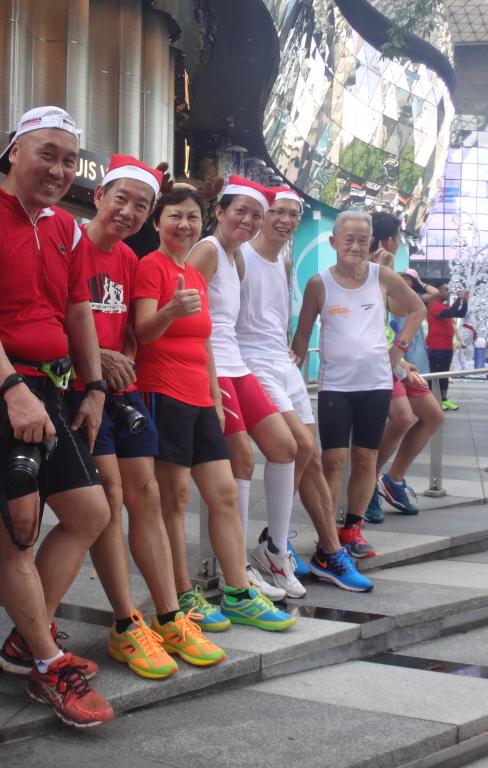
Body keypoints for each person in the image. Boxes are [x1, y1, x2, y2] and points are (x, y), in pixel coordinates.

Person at [0, 106, 115, 729]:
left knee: (90, 513)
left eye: (69, 159)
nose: (60, 169)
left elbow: (78, 313)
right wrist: (12, 388)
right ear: (13, 151)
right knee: (19, 525)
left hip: (47, 385)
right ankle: (46, 664)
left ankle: (25, 637)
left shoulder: (67, 228)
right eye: (47, 153)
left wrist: (94, 388)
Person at [66, 156, 225, 681]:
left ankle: (170, 615)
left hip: (124, 391)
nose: (129, 212)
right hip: (79, 392)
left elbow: (132, 335)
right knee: (110, 499)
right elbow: (46, 316)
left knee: (149, 497)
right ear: (98, 197)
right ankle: (125, 621)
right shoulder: (67, 245)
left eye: (140, 204)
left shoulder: (130, 263)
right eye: (122, 200)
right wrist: (89, 360)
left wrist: (119, 356)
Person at [132, 182, 296, 634]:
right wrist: (169, 310)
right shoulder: (151, 267)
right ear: (158, 223)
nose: (183, 225)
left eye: (190, 218)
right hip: (161, 392)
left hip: (201, 397)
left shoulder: (195, 272)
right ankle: (184, 594)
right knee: (175, 498)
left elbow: (206, 340)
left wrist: (214, 399)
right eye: (174, 217)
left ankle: (239, 590)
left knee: (223, 492)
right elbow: (143, 333)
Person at [237, 189, 373, 592]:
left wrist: (291, 354)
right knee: (294, 445)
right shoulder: (238, 254)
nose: (285, 220)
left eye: (293, 214)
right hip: (250, 364)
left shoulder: (283, 261)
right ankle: (270, 548)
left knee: (308, 451)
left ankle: (300, 548)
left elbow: (277, 320)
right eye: (277, 212)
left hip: (281, 364)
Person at [186, 176, 303, 600]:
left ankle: (274, 551)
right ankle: (236, 566)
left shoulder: (235, 258)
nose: (249, 220)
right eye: (241, 211)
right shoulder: (208, 250)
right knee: (243, 462)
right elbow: (185, 312)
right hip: (211, 369)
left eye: (256, 214)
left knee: (286, 447)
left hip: (237, 364)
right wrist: (208, 386)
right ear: (219, 212)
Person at [291, 211, 424, 561]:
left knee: (366, 459)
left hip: (376, 385)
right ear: (334, 242)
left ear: (372, 243)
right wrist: (291, 378)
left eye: (362, 240)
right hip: (335, 387)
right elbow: (302, 335)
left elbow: (416, 309)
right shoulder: (319, 283)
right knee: (333, 460)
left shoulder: (382, 276)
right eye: (348, 239)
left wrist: (399, 351)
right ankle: (326, 535)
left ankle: (351, 528)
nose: (355, 246)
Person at [364, 213, 442, 523]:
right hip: (372, 359)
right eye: (398, 238)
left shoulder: (385, 271)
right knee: (401, 418)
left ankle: (392, 478)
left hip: (393, 359)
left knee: (433, 415)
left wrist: (399, 351)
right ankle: (366, 483)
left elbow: (401, 309)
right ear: (387, 241)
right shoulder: (360, 269)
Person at [427, 282, 470, 411]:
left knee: (444, 373)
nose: (448, 292)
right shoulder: (433, 305)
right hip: (436, 346)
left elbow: (460, 314)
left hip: (447, 346)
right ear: (437, 292)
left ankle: (443, 399)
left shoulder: (444, 306)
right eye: (446, 290)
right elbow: (448, 313)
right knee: (435, 374)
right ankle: (433, 401)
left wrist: (465, 301)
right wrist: (458, 298)